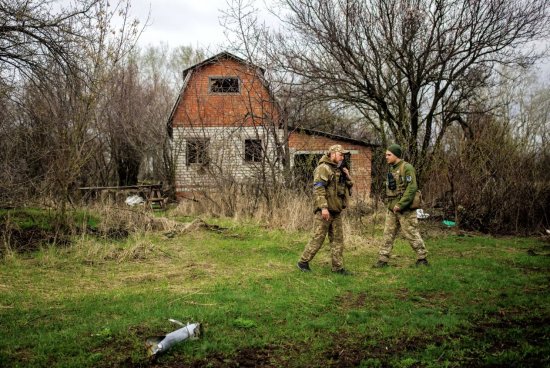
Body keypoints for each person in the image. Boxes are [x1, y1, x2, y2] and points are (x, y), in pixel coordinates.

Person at [297, 144, 353, 275]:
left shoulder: (338, 170)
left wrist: (348, 176)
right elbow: (318, 189)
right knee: (318, 237)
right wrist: (323, 208)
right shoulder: (323, 168)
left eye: (343, 155)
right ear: (332, 154)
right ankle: (303, 262)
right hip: (325, 210)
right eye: (340, 154)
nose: (342, 157)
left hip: (336, 211)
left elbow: (347, 187)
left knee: (338, 240)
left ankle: (338, 268)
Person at [374, 144, 429, 268]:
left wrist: (401, 204)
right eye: (386, 155)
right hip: (392, 208)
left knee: (411, 233)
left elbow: (412, 188)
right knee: (387, 234)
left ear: (396, 155)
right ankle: (383, 259)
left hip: (405, 209)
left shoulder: (407, 168)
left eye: (389, 155)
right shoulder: (391, 168)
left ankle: (422, 258)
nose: (386, 157)